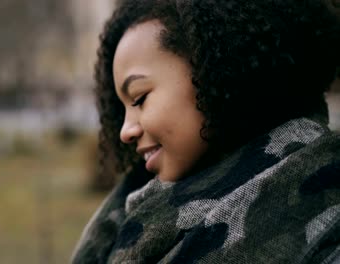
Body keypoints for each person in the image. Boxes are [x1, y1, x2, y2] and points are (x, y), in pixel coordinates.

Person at [72, 0, 340, 263]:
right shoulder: (123, 215)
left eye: (140, 98)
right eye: (122, 109)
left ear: (215, 67)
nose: (125, 132)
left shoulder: (328, 230)